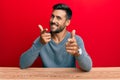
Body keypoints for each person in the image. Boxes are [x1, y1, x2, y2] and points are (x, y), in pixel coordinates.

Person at [20, 3, 92, 72]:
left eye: (58, 18)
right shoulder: (43, 39)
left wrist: (78, 52)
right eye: (52, 16)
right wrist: (40, 43)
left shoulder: (75, 40)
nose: (53, 20)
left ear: (67, 22)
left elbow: (88, 67)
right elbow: (23, 64)